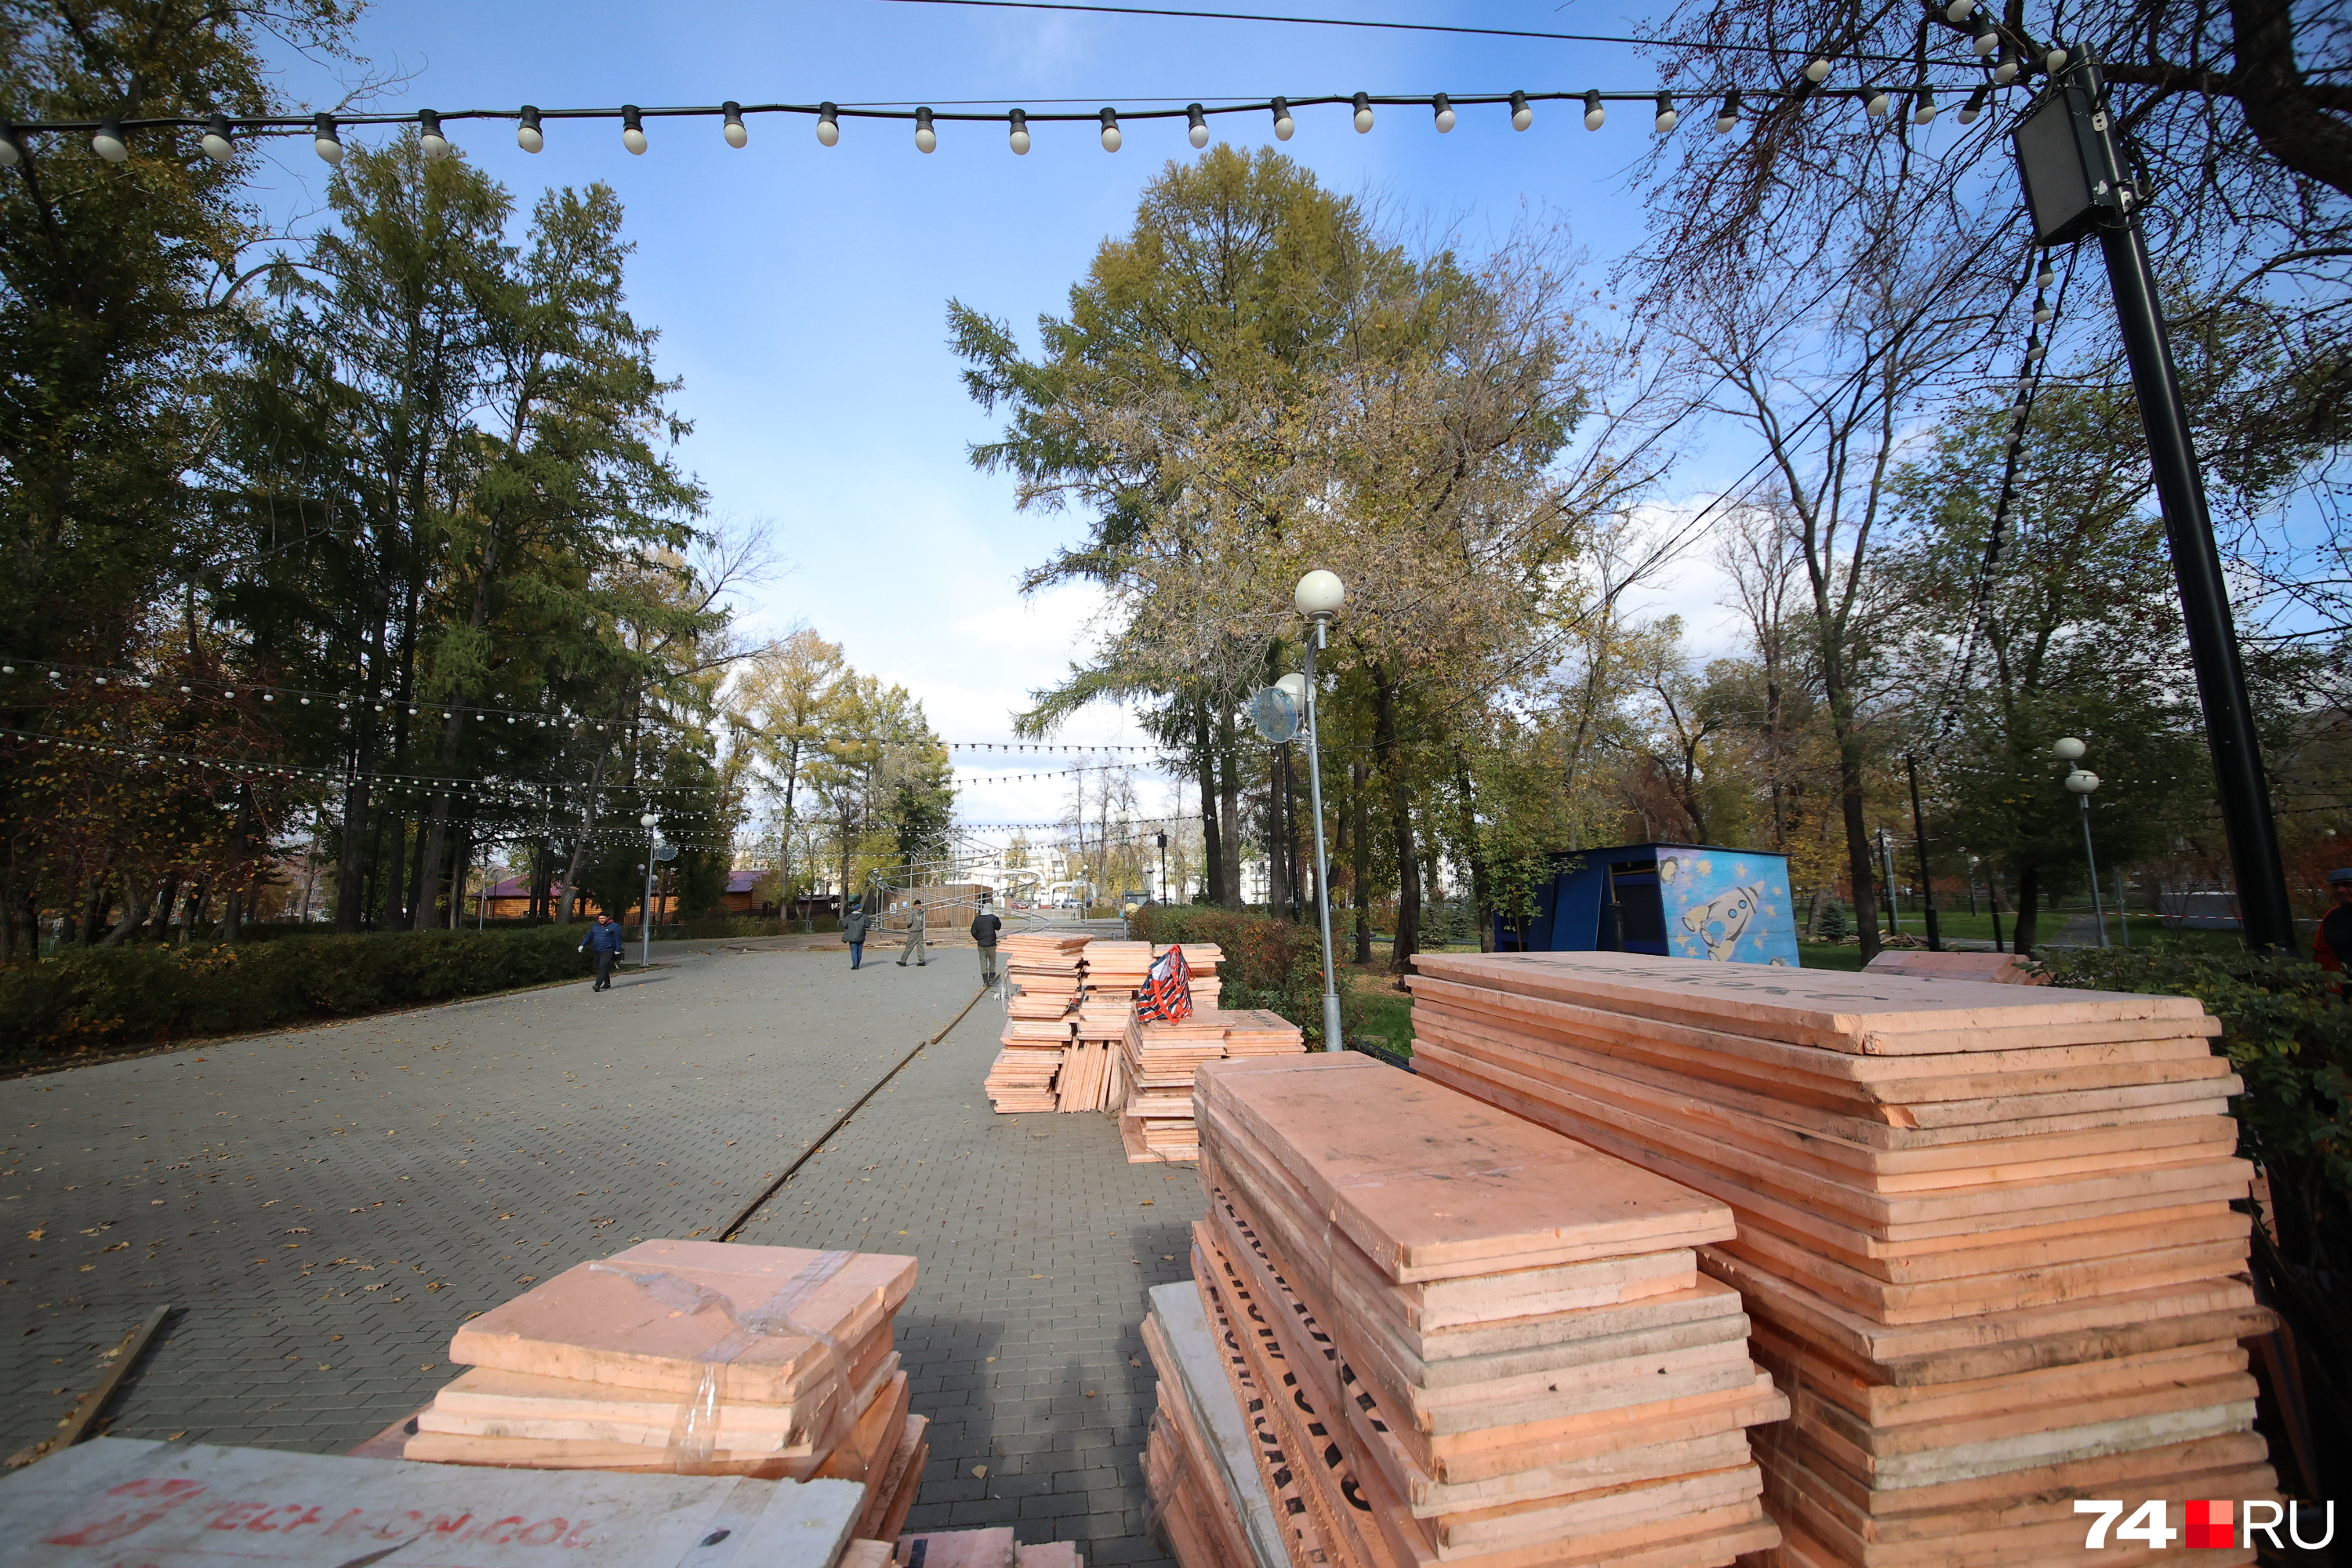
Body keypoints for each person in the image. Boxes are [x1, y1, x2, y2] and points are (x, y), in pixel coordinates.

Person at [2313, 869, 2352, 976]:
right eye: (2335, 886)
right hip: (2340, 983)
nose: (2341, 890)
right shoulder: (2331, 916)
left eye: (2347, 885)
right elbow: (2321, 950)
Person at [579, 913, 626, 991]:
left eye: (603, 918)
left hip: (608, 950)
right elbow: (588, 936)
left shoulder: (614, 926)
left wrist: (618, 950)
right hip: (597, 949)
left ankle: (597, 985)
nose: (601, 920)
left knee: (603, 966)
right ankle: (607, 983)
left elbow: (618, 939)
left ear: (608, 918)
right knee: (599, 967)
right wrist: (582, 945)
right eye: (600, 918)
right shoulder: (595, 926)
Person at [971, 897, 1003, 984]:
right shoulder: (993, 918)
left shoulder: (978, 919)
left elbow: (973, 931)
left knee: (983, 961)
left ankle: (985, 980)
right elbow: (998, 927)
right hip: (991, 943)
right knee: (992, 960)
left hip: (981, 944)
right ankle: (991, 977)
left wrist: (979, 938)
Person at [896, 898, 927, 967]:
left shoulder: (912, 912)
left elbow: (910, 921)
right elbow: (925, 909)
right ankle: (922, 961)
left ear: (914, 905)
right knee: (920, 947)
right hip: (920, 931)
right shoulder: (921, 912)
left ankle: (903, 961)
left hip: (914, 931)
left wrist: (908, 926)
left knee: (909, 946)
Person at [842, 899, 872, 970]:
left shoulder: (849, 917)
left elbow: (844, 925)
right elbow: (868, 925)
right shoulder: (864, 917)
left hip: (852, 935)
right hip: (861, 935)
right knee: (859, 950)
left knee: (853, 950)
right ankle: (858, 963)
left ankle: (855, 965)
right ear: (859, 909)